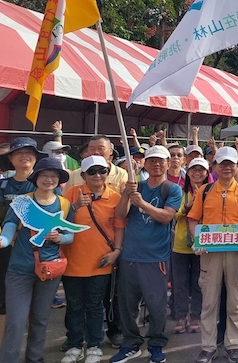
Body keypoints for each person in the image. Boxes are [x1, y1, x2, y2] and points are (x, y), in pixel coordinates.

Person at [0, 157, 74, 363]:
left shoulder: (64, 203)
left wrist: (59, 237)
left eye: (54, 176)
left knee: (40, 319)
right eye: (44, 175)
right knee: (16, 322)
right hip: (20, 269)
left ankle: (35, 358)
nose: (49, 180)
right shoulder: (22, 202)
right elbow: (9, 228)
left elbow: (70, 235)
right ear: (36, 178)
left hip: (49, 270)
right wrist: (2, 240)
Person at [187, 146, 238, 363]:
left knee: (235, 301)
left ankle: (232, 344)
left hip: (237, 252)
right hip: (210, 252)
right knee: (209, 301)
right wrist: (197, 240)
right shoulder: (205, 191)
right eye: (222, 163)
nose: (227, 167)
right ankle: (208, 347)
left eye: (231, 163)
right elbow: (193, 219)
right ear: (215, 166)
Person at [112, 145, 183, 363]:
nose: (156, 164)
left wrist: (141, 202)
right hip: (130, 256)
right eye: (151, 160)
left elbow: (166, 217)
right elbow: (120, 215)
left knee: (156, 305)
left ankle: (156, 343)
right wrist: (126, 193)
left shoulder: (172, 189)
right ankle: (131, 342)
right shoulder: (136, 186)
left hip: (156, 258)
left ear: (168, 163)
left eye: (161, 160)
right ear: (145, 163)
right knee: (127, 305)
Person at [0, 137, 47, 359]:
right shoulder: (0, 184)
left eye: (30, 152)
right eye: (19, 152)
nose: (25, 156)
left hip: (35, 252)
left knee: (35, 308)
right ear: (10, 158)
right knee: (0, 301)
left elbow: (46, 217)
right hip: (4, 252)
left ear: (36, 158)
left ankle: (32, 353)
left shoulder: (42, 182)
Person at [61, 156, 124, 363]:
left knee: (96, 305)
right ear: (83, 175)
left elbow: (119, 226)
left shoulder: (114, 197)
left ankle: (94, 344)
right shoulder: (71, 193)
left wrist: (116, 251)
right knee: (75, 305)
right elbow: (59, 223)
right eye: (92, 171)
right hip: (73, 261)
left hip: (101, 261)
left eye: (102, 171)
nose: (98, 175)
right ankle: (74, 344)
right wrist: (75, 206)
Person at [172, 158, 208, 335]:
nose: (197, 173)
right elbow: (175, 215)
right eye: (194, 169)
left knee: (198, 283)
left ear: (207, 173)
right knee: (179, 284)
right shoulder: (180, 191)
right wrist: (188, 206)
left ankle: (195, 316)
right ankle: (180, 316)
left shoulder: (211, 192)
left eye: (201, 170)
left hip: (202, 245)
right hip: (180, 245)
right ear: (188, 172)